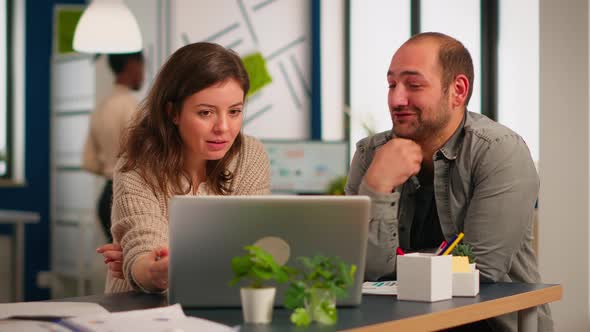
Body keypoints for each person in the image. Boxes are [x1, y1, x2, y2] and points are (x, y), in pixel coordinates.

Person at [344, 32, 552, 331]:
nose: (396, 99)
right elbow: (364, 270)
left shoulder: (498, 150)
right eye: (391, 85)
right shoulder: (371, 154)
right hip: (393, 321)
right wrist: (377, 187)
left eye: (413, 85)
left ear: (458, 90)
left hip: (487, 322)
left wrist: (398, 270)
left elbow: (481, 271)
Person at [97, 42, 271, 294]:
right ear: (173, 112)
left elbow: (252, 248)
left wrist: (184, 260)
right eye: (205, 113)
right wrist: (149, 267)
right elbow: (145, 248)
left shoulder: (250, 155)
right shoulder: (136, 164)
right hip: (144, 312)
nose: (223, 127)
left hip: (219, 307)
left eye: (234, 111)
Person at [82, 52, 145, 242]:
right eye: (142, 65)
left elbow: (89, 162)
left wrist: (110, 168)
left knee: (116, 265)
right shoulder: (133, 108)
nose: (143, 72)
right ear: (132, 65)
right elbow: (144, 158)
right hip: (129, 198)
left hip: (106, 197)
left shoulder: (101, 108)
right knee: (133, 264)